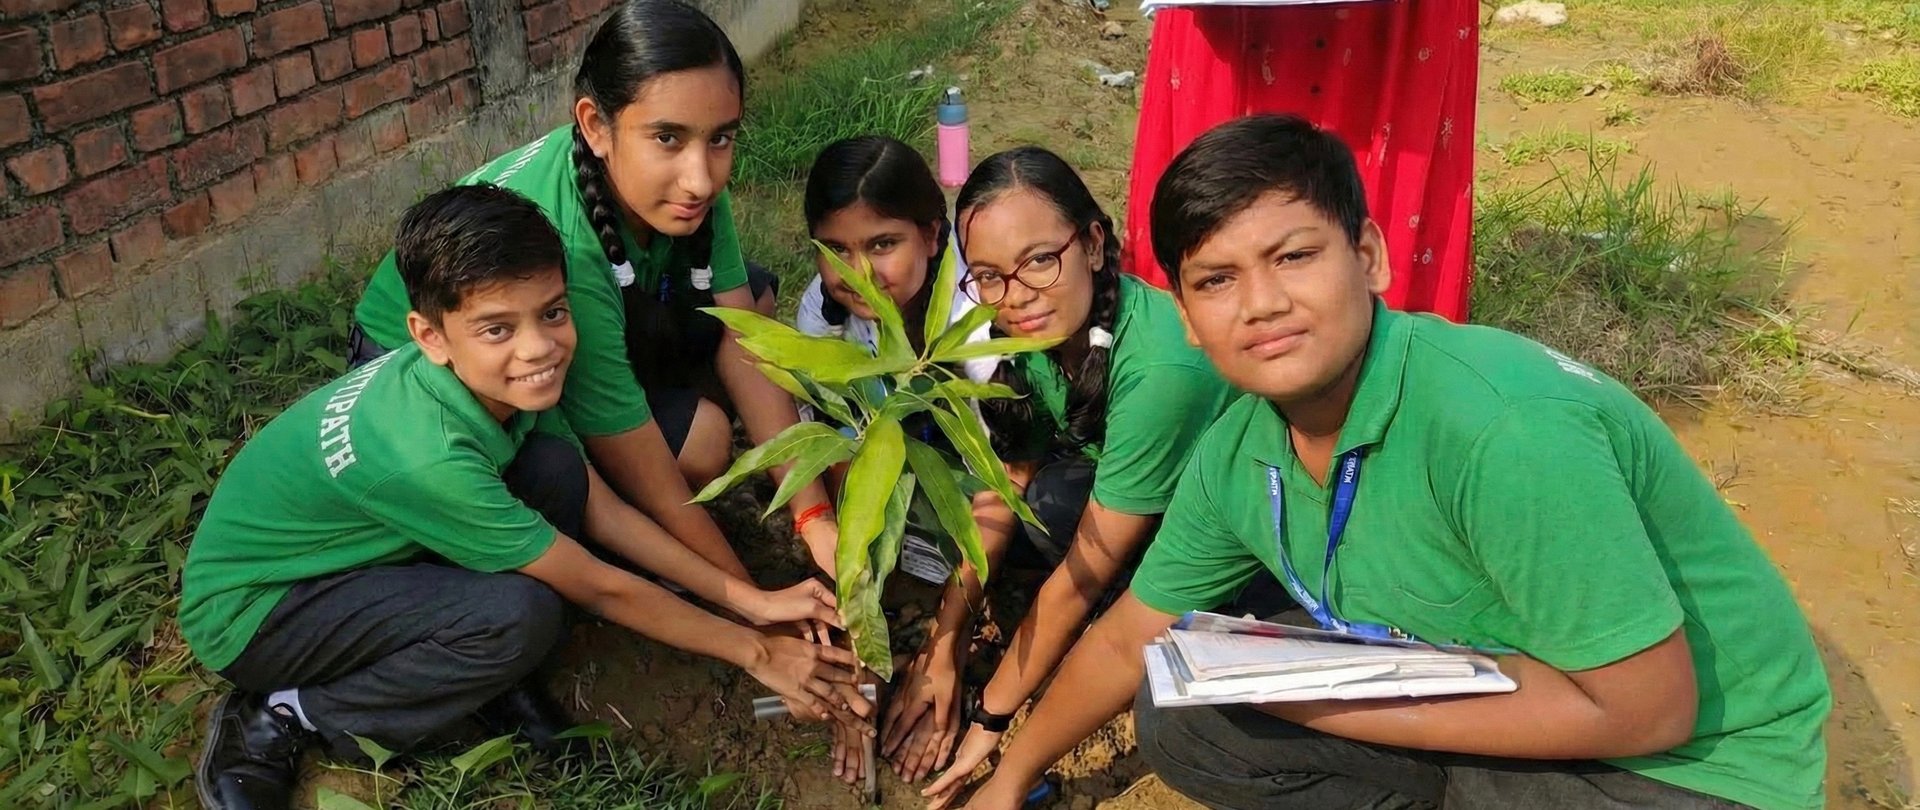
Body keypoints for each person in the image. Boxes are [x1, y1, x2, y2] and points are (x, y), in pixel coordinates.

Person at [949, 115, 1832, 810]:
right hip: (1490, 684)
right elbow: (1127, 633)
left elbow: (1651, 709)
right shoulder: (1240, 449)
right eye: (1215, 280)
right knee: (1189, 718)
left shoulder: (1502, 429)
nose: (1261, 304)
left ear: (1367, 256)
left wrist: (1312, 700)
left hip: (1687, 767)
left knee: (1268, 703)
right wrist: (1004, 775)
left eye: (1293, 256)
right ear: (1183, 310)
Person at [185, 185, 870, 810]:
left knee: (555, 472)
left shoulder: (497, 386)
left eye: (553, 313)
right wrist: (757, 651)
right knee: (519, 616)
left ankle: (470, 666)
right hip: (259, 611)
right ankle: (286, 713)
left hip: (351, 550)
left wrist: (749, 599)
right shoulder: (428, 454)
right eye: (497, 329)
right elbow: (603, 587)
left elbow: (601, 508)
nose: (539, 348)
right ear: (430, 336)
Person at [351, 0, 836, 585]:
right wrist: (753, 604)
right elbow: (649, 475)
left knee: (752, 293)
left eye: (721, 138)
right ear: (595, 126)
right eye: (667, 138)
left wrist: (816, 519)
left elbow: (746, 339)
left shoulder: (690, 189)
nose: (702, 177)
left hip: (571, 310)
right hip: (432, 360)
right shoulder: (566, 256)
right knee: (697, 447)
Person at [881, 147, 1234, 802]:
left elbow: (1082, 576)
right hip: (1120, 505)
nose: (1017, 298)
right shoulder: (1028, 339)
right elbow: (1006, 484)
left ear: (1094, 244)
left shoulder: (1160, 372)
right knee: (1039, 499)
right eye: (989, 276)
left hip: (1232, 549)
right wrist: (944, 643)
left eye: (1040, 260)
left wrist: (991, 714)